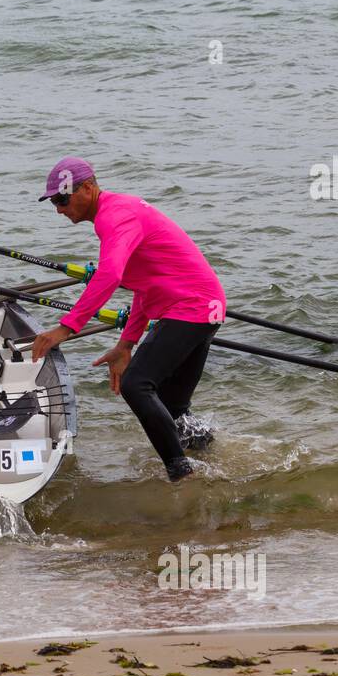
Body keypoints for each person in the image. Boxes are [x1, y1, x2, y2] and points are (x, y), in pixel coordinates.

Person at [29, 158, 226, 482]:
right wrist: (126, 344)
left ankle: (182, 475)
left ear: (89, 188)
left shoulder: (114, 216)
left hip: (191, 308)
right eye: (54, 201)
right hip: (203, 308)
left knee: (137, 384)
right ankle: (215, 458)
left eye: (62, 199)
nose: (59, 209)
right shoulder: (119, 212)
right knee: (172, 406)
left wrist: (67, 328)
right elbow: (144, 288)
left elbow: (109, 274)